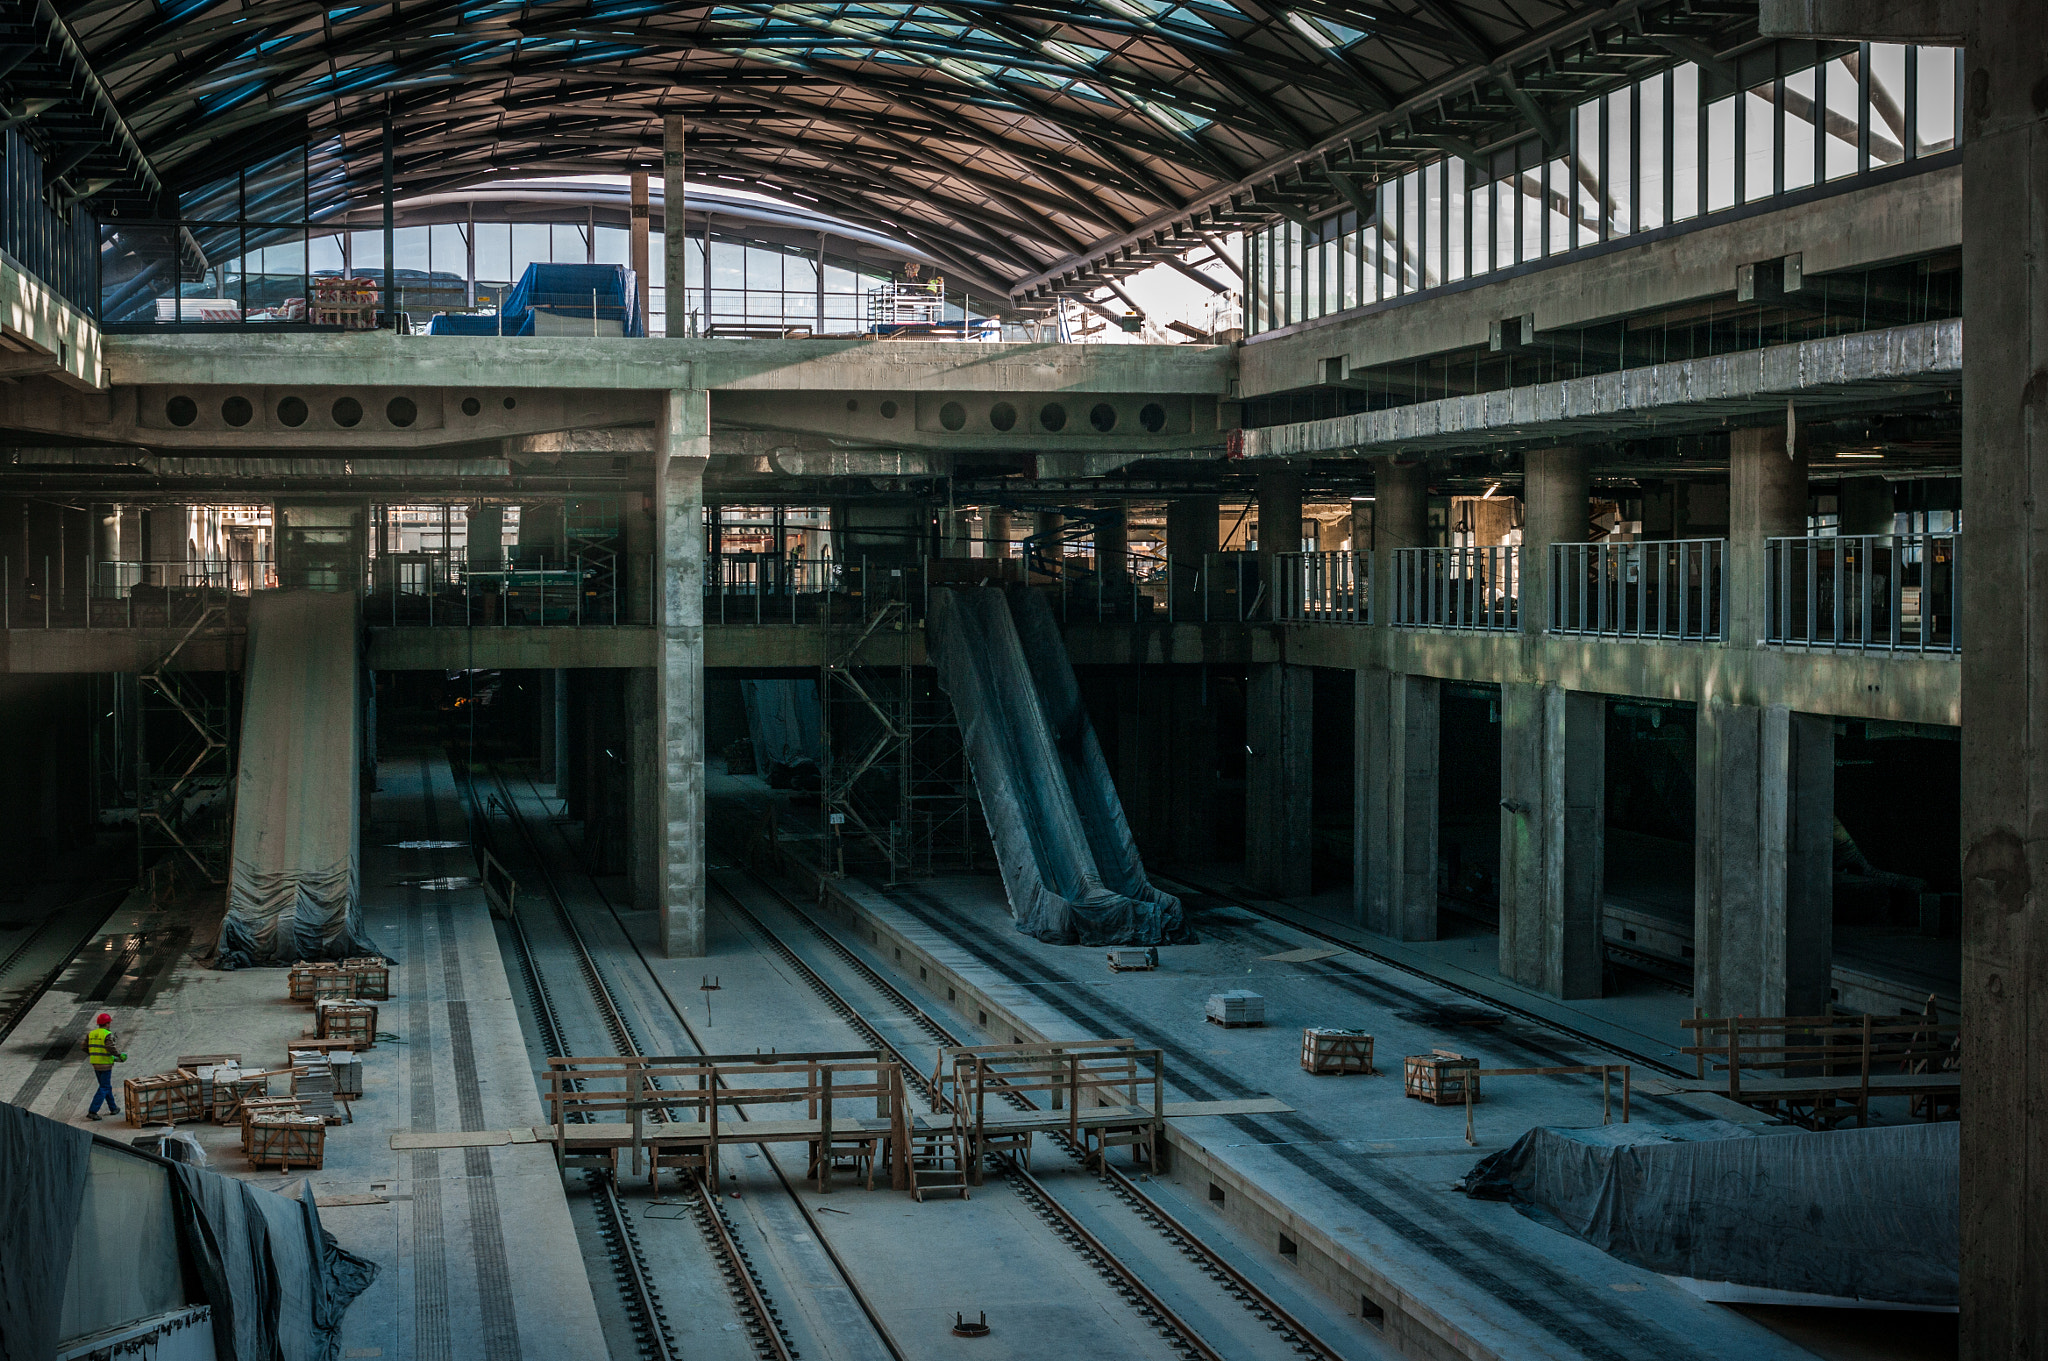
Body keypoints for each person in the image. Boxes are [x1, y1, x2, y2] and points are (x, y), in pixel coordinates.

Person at [83, 1012, 126, 1121]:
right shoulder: (107, 1034)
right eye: (109, 1023)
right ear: (106, 1023)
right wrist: (118, 1055)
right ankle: (93, 1111)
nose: (109, 1025)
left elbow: (84, 1047)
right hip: (105, 1064)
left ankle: (113, 1108)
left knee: (106, 1086)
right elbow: (110, 1047)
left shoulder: (91, 1034)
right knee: (104, 1087)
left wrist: (93, 1053)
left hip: (95, 1063)